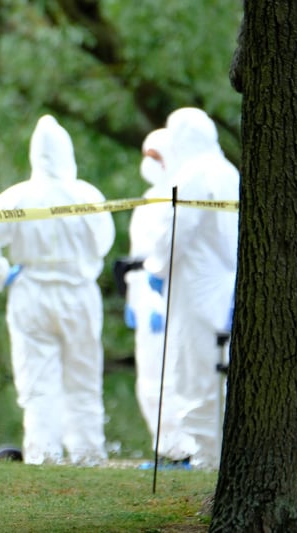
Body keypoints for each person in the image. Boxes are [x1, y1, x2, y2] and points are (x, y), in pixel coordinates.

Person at [0, 114, 115, 466]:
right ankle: (87, 455)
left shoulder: (17, 197)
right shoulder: (87, 195)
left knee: (37, 381)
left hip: (31, 294)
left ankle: (43, 455)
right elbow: (104, 243)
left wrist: (1, 277)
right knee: (83, 377)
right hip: (79, 295)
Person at [143, 107, 239, 469]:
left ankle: (207, 458)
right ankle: (216, 453)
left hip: (196, 288)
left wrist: (156, 267)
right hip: (223, 284)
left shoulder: (194, 174)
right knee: (218, 372)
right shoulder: (228, 170)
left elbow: (175, 230)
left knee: (197, 373)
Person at [124, 127, 197, 467]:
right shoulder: (146, 202)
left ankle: (183, 448)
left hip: (170, 295)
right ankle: (163, 446)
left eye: (155, 157)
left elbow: (173, 251)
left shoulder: (179, 197)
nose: (148, 163)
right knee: (150, 378)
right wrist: (132, 300)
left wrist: (157, 300)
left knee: (174, 375)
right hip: (143, 293)